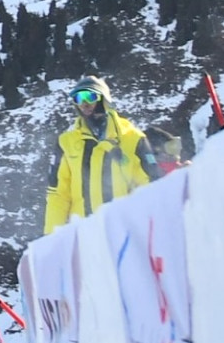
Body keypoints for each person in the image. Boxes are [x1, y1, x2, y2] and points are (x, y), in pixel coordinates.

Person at [42, 76, 166, 234]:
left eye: (90, 97)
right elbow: (58, 194)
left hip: (123, 234)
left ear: (104, 100)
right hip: (84, 234)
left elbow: (150, 186)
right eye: (79, 98)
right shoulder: (66, 143)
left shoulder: (132, 139)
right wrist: (52, 240)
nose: (85, 104)